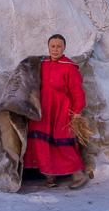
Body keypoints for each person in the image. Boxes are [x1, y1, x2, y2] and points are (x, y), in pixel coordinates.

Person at [23, 34, 89, 189]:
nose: (55, 49)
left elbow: (77, 92)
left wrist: (77, 112)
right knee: (41, 143)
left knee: (62, 143)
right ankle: (49, 176)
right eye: (52, 46)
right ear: (48, 47)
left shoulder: (70, 67)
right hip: (43, 111)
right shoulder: (43, 64)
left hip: (61, 110)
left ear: (64, 48)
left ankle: (78, 174)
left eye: (59, 46)